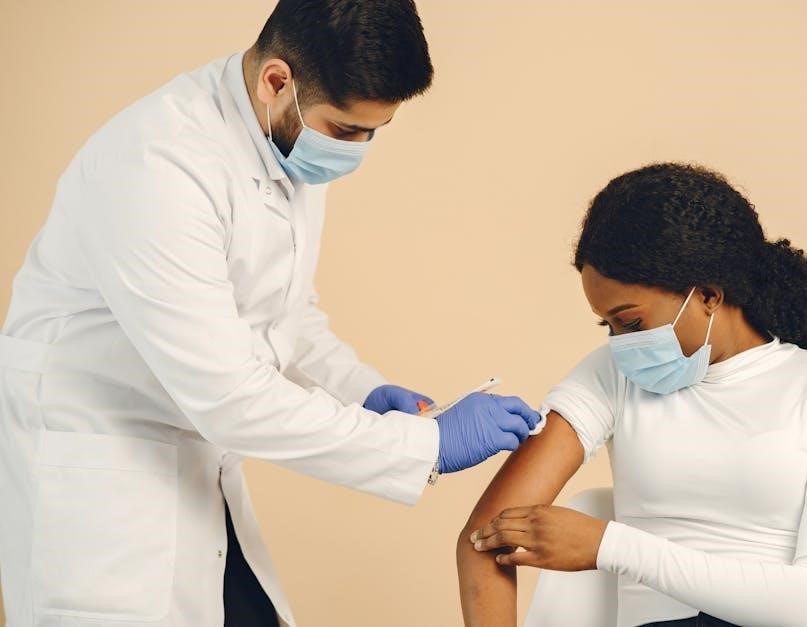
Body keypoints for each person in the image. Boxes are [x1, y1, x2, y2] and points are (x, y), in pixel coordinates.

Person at [0, 1, 540, 626]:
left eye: (374, 132)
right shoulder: (158, 166)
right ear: (276, 81)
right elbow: (228, 395)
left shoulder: (281, 142)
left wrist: (361, 391)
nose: (357, 150)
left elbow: (284, 315)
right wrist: (425, 445)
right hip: (106, 485)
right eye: (346, 131)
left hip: (194, 464)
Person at [456, 163, 807, 627]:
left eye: (632, 322)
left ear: (708, 295)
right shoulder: (613, 374)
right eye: (608, 325)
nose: (621, 344)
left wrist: (610, 546)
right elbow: (483, 539)